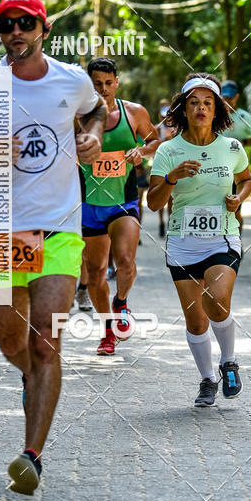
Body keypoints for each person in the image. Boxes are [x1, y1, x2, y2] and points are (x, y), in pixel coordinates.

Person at [0, 0, 105, 496]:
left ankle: (32, 456)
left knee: (44, 342)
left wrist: (93, 133)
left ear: (43, 28)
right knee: (14, 345)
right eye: (6, 24)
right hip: (1, 232)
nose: (16, 32)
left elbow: (101, 110)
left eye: (25, 22)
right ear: (0, 33)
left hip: (58, 228)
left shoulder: (72, 80)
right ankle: (31, 382)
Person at [147, 73, 251, 407]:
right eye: (194, 102)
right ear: (184, 108)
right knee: (195, 320)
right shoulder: (168, 150)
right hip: (182, 242)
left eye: (208, 102)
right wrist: (171, 178)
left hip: (222, 238)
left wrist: (239, 199)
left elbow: (247, 180)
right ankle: (208, 379)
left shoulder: (232, 147)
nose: (201, 108)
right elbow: (153, 202)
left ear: (217, 109)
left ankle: (229, 361)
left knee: (217, 299)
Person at [78, 58, 160, 356]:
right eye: (97, 84)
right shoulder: (77, 115)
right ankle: (107, 330)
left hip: (123, 201)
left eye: (108, 83)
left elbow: (156, 140)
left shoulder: (134, 112)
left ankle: (121, 300)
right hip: (89, 205)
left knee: (124, 260)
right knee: (96, 272)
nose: (103, 89)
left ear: (117, 82)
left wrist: (142, 151)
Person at [221, 80, 251, 233]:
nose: (227, 101)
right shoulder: (212, 115)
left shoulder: (244, 116)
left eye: (230, 98)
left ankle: (236, 244)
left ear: (237, 97)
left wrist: (244, 141)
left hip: (236, 171)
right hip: (214, 169)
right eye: (224, 97)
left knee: (235, 210)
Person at [156, 98, 175, 237]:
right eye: (164, 117)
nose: (166, 119)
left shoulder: (177, 129)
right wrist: (164, 141)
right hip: (161, 165)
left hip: (173, 165)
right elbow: (152, 146)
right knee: (160, 195)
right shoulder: (157, 128)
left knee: (171, 197)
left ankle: (170, 222)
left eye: (168, 116)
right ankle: (161, 221)